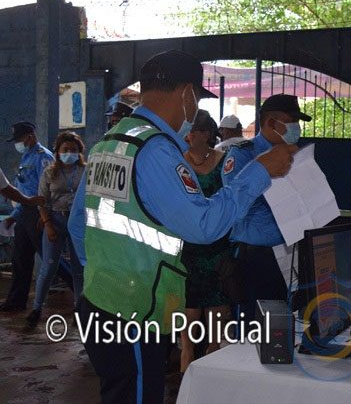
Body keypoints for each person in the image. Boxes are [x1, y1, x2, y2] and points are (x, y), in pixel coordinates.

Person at [67, 49, 296, 404]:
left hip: (100, 304)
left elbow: (77, 226)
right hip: (135, 313)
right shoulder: (155, 150)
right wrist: (260, 171)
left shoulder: (110, 142)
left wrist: (106, 277)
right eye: (197, 99)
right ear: (187, 94)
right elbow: (203, 226)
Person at [222, 93, 311, 323]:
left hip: (292, 253)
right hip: (256, 258)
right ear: (271, 122)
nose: (296, 128)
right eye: (292, 121)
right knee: (256, 329)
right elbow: (236, 202)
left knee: (288, 324)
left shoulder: (296, 156)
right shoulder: (243, 153)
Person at [180, 110, 232, 372]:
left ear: (206, 134)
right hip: (187, 244)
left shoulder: (224, 161)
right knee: (189, 304)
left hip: (217, 245)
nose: (187, 136)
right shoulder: (178, 162)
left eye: (192, 131)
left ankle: (213, 360)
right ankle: (185, 361)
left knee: (217, 302)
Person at [26, 132, 86, 328]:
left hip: (78, 222)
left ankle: (79, 308)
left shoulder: (86, 172)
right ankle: (37, 308)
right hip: (56, 220)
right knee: (49, 266)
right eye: (65, 149)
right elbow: (42, 201)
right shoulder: (49, 172)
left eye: (73, 150)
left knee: (79, 269)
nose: (69, 153)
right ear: (58, 152)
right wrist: (48, 224)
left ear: (79, 152)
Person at [0, 121, 54, 312]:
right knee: (20, 258)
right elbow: (23, 190)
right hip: (25, 213)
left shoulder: (43, 157)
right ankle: (16, 301)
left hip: (38, 213)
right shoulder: (26, 156)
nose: (17, 144)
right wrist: (14, 216)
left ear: (29, 137)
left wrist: (45, 216)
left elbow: (48, 190)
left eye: (19, 139)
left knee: (50, 257)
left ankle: (78, 292)